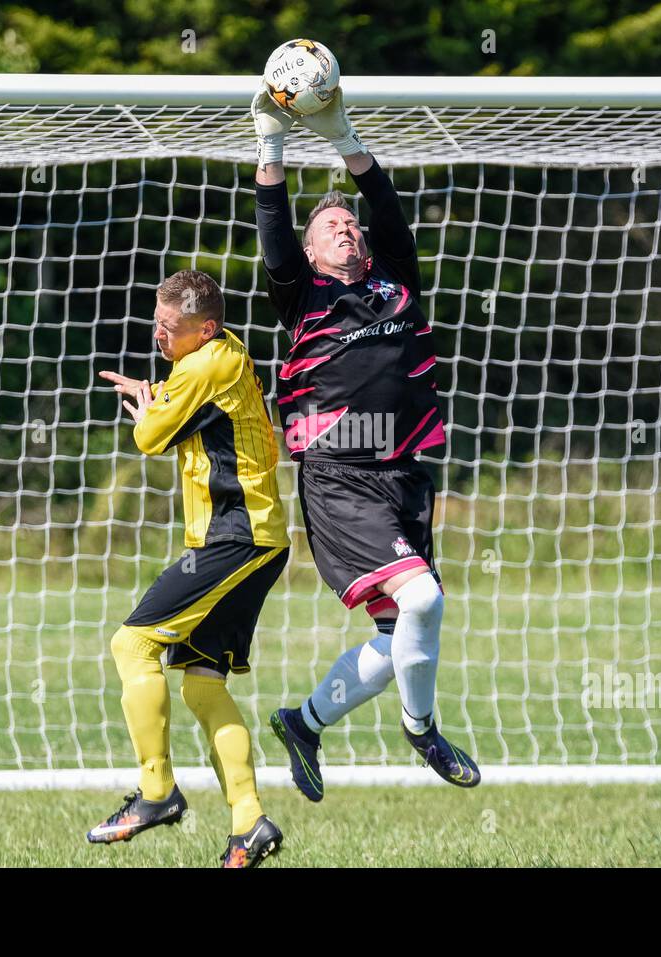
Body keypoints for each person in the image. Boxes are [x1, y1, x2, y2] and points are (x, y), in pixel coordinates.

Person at [251, 82, 481, 802]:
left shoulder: (396, 280)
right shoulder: (302, 294)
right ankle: (422, 729)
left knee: (395, 636)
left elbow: (386, 207)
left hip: (406, 473)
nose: (346, 229)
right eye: (331, 227)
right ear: (312, 252)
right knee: (425, 601)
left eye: (350, 224)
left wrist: (343, 133)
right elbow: (274, 229)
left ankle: (305, 720)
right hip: (338, 478)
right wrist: (273, 144)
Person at [88, 269, 289, 867]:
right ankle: (250, 822)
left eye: (170, 329)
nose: (159, 336)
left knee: (132, 646)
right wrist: (162, 393)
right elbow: (180, 414)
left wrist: (151, 405)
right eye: (156, 323)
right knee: (203, 685)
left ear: (205, 328)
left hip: (237, 537)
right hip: (251, 538)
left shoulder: (203, 366)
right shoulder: (214, 358)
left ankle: (157, 793)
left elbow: (149, 437)